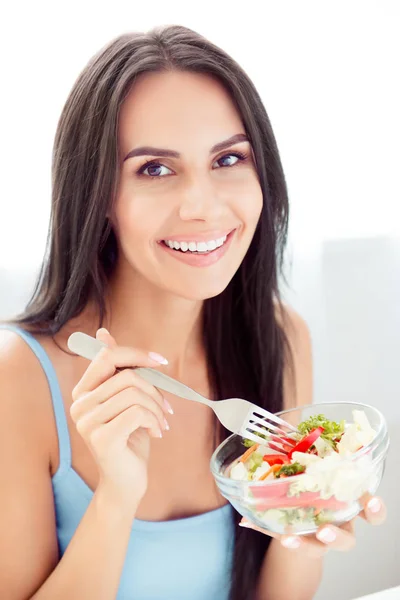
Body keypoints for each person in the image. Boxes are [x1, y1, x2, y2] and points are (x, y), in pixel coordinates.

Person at [0, 25, 386, 600]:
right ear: (99, 196)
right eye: (155, 169)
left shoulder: (279, 337)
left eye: (229, 158)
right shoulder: (19, 380)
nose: (203, 207)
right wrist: (116, 496)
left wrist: (306, 523)